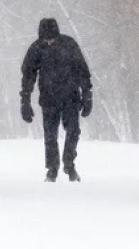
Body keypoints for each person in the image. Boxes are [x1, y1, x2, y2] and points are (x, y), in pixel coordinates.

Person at [20, 17, 92, 182]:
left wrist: (87, 94)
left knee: (73, 132)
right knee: (50, 136)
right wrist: (25, 100)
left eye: (51, 38)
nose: (49, 41)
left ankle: (69, 164)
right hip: (48, 99)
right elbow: (28, 75)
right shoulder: (37, 48)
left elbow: (82, 69)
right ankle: (52, 169)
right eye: (46, 38)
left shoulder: (69, 45)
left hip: (71, 97)